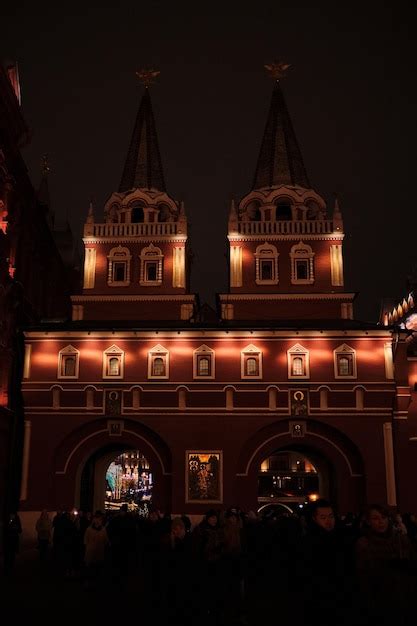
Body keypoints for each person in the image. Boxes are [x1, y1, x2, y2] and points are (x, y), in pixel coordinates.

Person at [356, 505, 417, 624]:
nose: (381, 522)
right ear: (368, 521)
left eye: (384, 517)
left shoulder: (401, 539)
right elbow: (363, 576)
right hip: (380, 598)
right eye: (376, 518)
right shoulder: (363, 544)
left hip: (405, 596)